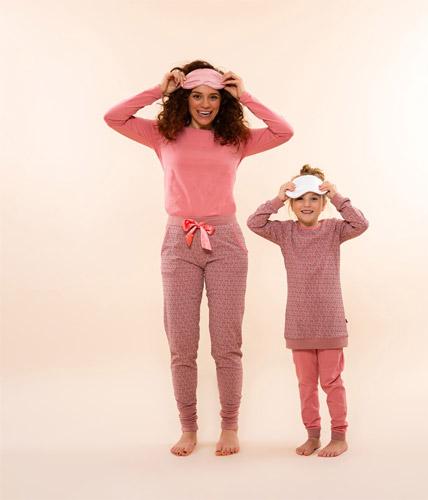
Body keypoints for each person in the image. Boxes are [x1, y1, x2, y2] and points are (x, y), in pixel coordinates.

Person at [104, 60, 293, 456]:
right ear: (183, 98)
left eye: (213, 97)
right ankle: (188, 428)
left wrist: (247, 96)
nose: (205, 104)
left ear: (224, 101)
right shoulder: (163, 135)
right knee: (181, 345)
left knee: (227, 345)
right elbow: (114, 117)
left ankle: (229, 426)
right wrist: (158, 90)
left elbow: (283, 131)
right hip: (179, 242)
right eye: (196, 96)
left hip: (226, 243)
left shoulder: (236, 139)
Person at [246, 164, 368, 457]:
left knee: (331, 382)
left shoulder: (334, 229)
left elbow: (360, 224)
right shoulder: (284, 232)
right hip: (299, 323)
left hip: (330, 322)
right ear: (291, 203)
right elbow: (254, 223)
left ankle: (338, 436)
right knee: (306, 384)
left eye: (314, 198)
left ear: (323, 203)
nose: (307, 204)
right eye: (300, 198)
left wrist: (337, 197)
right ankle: (312, 435)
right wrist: (277, 198)